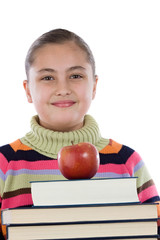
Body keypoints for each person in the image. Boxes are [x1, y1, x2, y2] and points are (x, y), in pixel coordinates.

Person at [0, 28, 159, 239]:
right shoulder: (5, 163)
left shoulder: (127, 161)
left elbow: (153, 227)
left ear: (94, 86)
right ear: (28, 90)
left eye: (75, 75)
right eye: (48, 77)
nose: (63, 88)